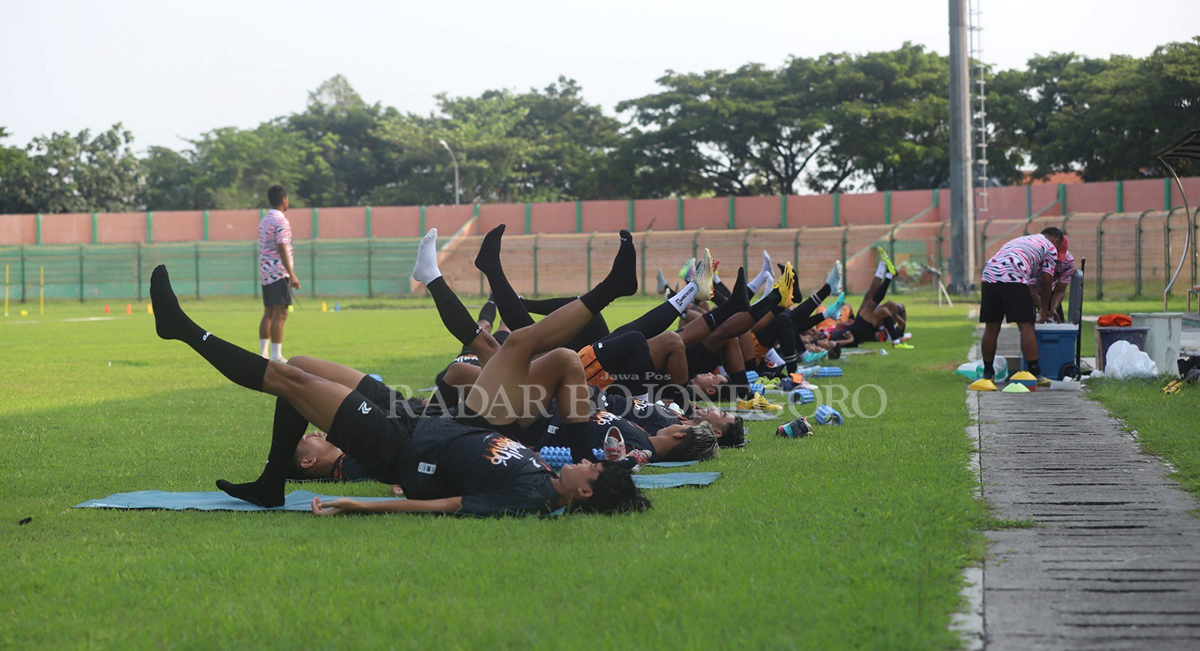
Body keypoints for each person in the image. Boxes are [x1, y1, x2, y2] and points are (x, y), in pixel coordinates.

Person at [148, 225, 648, 517]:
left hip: (400, 445)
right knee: (299, 365)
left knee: (288, 379)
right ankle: (271, 483)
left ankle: (184, 330)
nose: (587, 465)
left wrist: (363, 506)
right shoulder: (545, 474)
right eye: (592, 463)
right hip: (439, 420)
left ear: (584, 491)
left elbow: (446, 506)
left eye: (592, 470)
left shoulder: (530, 497)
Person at [975, 227, 1065, 389]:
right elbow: (1047, 282)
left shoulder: (1023, 240)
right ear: (1056, 241)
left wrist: (1042, 307)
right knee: (1026, 326)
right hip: (1013, 276)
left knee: (991, 327)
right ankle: (1035, 373)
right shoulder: (1050, 247)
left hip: (989, 275)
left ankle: (988, 373)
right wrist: (1044, 311)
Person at [258, 186, 299, 362]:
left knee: (268, 312)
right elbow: (282, 246)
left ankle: (263, 353)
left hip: (266, 271)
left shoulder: (265, 220)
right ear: (283, 200)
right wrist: (292, 274)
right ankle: (276, 355)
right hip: (278, 272)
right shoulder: (281, 221)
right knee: (280, 313)